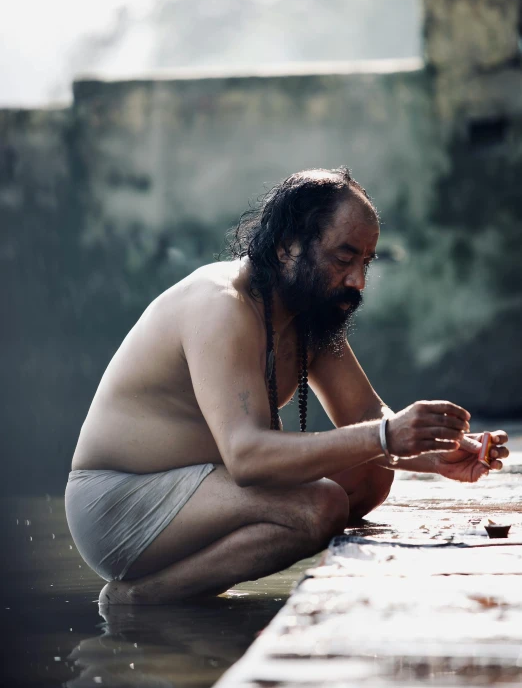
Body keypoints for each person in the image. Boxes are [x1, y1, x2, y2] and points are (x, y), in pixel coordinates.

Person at [65, 168, 509, 605]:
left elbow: (365, 417)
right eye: (343, 258)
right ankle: (141, 597)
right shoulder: (222, 306)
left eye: (365, 262)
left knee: (370, 471)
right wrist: (386, 436)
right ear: (287, 249)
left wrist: (442, 451)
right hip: (118, 501)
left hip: (202, 491)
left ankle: (202, 574)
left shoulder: (308, 311)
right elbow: (247, 458)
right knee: (319, 506)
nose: (358, 281)